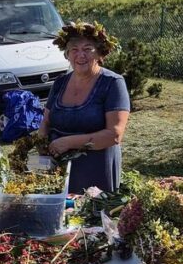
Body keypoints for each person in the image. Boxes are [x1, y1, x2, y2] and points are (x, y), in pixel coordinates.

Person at [40, 21, 130, 193]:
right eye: (74, 49)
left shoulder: (112, 83)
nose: (80, 55)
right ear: (67, 54)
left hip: (95, 171)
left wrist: (69, 142)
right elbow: (45, 122)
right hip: (58, 169)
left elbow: (114, 134)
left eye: (87, 49)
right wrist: (42, 150)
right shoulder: (60, 83)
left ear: (99, 54)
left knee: (92, 215)